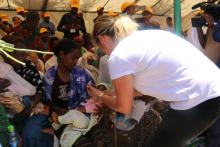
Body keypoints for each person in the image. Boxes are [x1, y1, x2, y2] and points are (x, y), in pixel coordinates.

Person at [87, 15, 220, 147]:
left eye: (102, 49)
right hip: (212, 88)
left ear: (102, 39)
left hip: (198, 98)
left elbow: (124, 107)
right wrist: (109, 93)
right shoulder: (145, 38)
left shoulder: (118, 55)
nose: (106, 54)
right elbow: (139, 89)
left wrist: (100, 95)